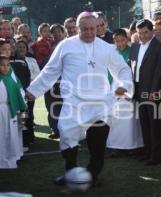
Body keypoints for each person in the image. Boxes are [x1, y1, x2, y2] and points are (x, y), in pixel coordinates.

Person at [25, 11, 133, 187]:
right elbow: (50, 71)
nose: (90, 32)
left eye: (93, 28)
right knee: (66, 135)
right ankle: (71, 172)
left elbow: (122, 69)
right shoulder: (65, 46)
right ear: (77, 28)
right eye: (85, 29)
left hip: (100, 104)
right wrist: (33, 91)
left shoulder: (106, 47)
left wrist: (124, 84)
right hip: (75, 103)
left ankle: (93, 174)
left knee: (97, 144)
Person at [130, 19, 161, 166]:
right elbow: (132, 68)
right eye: (139, 33)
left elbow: (160, 70)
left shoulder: (160, 46)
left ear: (152, 31)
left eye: (145, 32)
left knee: (154, 124)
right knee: (144, 123)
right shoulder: (135, 47)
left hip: (152, 90)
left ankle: (156, 155)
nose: (143, 36)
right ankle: (147, 152)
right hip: (138, 89)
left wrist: (154, 90)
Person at [106, 28, 143, 155]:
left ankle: (132, 146)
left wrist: (128, 88)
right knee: (116, 118)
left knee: (130, 120)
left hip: (128, 88)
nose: (120, 43)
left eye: (122, 40)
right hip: (114, 87)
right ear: (114, 41)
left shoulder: (133, 51)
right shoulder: (111, 53)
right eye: (117, 41)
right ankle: (116, 146)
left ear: (127, 39)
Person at [0, 55, 27, 169]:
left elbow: (19, 92)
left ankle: (11, 159)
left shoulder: (11, 79)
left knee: (11, 135)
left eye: (7, 65)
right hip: (1, 111)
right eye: (2, 65)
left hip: (10, 110)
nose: (5, 68)